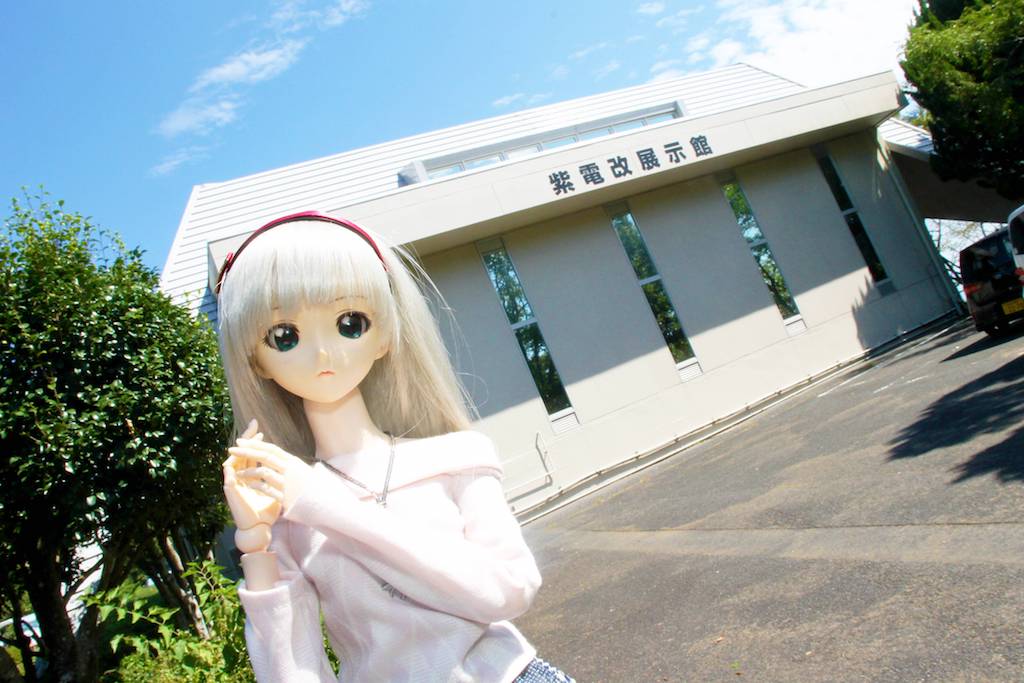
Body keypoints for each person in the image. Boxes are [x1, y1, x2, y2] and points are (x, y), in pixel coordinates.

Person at [216, 212, 573, 682]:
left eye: (350, 322)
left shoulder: (457, 456)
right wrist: (255, 542)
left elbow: (508, 591)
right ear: (256, 361)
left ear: (383, 335)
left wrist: (324, 505)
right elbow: (295, 672)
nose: (322, 352)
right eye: (285, 336)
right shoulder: (286, 510)